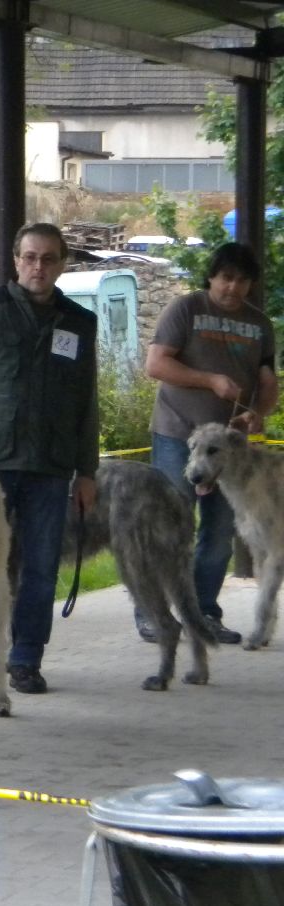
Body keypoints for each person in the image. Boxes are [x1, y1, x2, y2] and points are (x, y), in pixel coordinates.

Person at [0, 223, 99, 695]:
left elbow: (86, 403)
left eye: (49, 258)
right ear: (15, 260)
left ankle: (26, 659)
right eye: (30, 257)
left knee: (40, 567)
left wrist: (87, 470)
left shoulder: (79, 322)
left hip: (51, 467)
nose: (39, 266)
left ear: (62, 263)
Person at [139, 241, 278, 644]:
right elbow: (156, 364)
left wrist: (259, 412)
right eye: (225, 278)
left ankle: (203, 613)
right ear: (211, 277)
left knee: (218, 533)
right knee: (168, 526)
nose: (232, 287)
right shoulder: (186, 309)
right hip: (178, 435)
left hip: (231, 449)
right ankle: (153, 613)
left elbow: (267, 384)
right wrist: (210, 380)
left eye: (242, 280)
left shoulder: (260, 324)